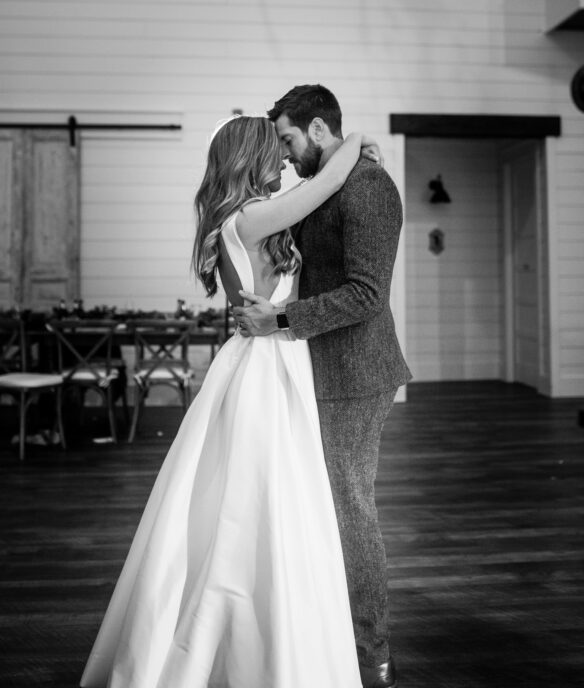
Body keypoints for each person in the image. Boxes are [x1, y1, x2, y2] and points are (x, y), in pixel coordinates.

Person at [79, 115, 381, 688]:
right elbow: (325, 184)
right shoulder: (248, 218)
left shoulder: (242, 217)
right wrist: (360, 137)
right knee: (263, 493)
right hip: (267, 364)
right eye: (275, 150)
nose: (284, 160)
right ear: (251, 157)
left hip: (271, 356)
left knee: (261, 491)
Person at [233, 85, 412, 688]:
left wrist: (280, 320)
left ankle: (371, 653)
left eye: (287, 140)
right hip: (316, 368)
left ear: (316, 129)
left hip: (355, 374)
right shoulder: (331, 180)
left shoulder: (369, 188)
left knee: (349, 507)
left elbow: (367, 294)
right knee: (320, 506)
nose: (284, 157)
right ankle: (323, 634)